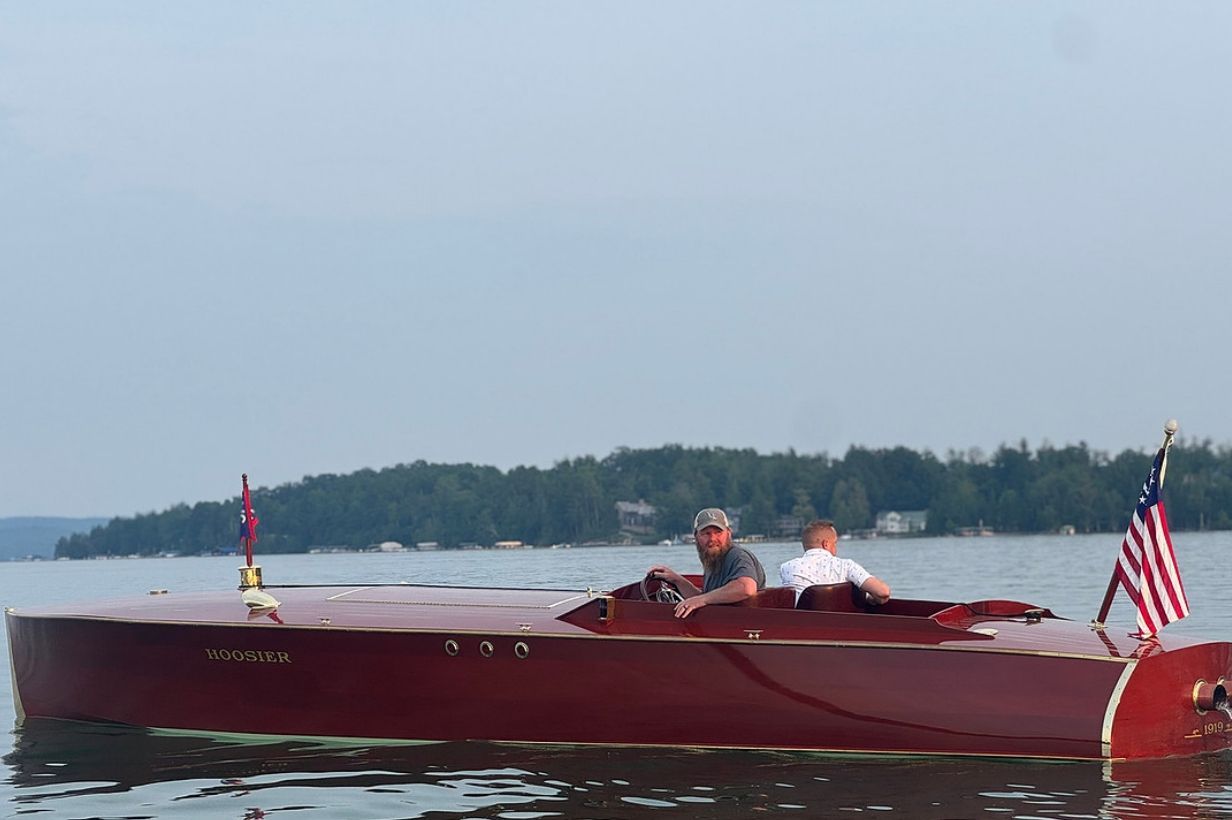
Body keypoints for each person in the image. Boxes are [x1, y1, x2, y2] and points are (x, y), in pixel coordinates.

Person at [647, 507, 766, 618]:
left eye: (718, 532)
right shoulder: (712, 559)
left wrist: (702, 599)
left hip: (749, 627)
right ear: (696, 536)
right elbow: (709, 599)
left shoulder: (737, 556)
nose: (712, 539)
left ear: (728, 533)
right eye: (706, 533)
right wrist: (677, 580)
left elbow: (746, 588)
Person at [779, 519, 891, 604]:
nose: (836, 548)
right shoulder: (845, 566)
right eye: (835, 543)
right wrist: (871, 600)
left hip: (799, 625)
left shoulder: (787, 567)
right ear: (826, 544)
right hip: (837, 625)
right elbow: (883, 592)